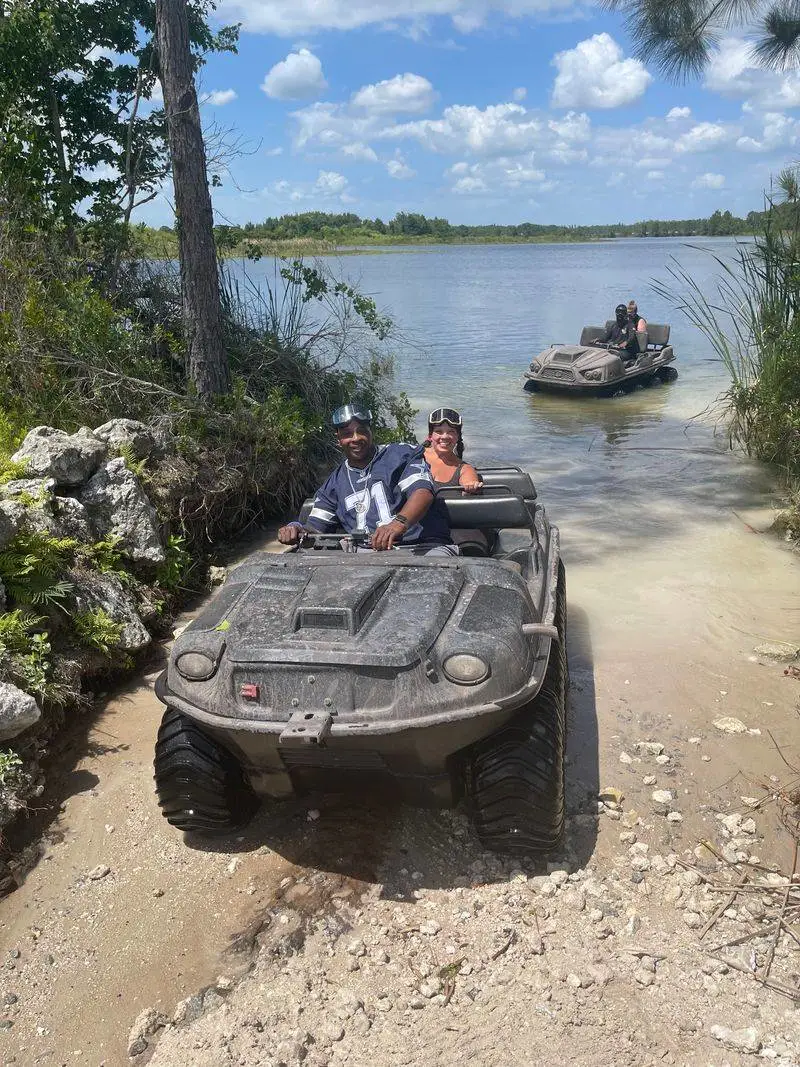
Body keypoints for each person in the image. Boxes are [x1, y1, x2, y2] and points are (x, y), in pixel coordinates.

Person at [277, 403, 456, 555]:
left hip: (424, 547)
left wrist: (397, 524)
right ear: (338, 439)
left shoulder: (400, 454)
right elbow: (316, 529)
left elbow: (422, 493)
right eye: (347, 434)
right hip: (365, 557)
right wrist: (296, 529)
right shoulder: (334, 483)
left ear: (371, 432)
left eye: (361, 431)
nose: (355, 438)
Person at [423, 408, 482, 493]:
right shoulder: (414, 456)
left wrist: (471, 487)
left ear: (458, 437)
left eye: (451, 432)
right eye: (439, 431)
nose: (444, 437)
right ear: (430, 436)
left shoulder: (465, 469)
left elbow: (470, 481)